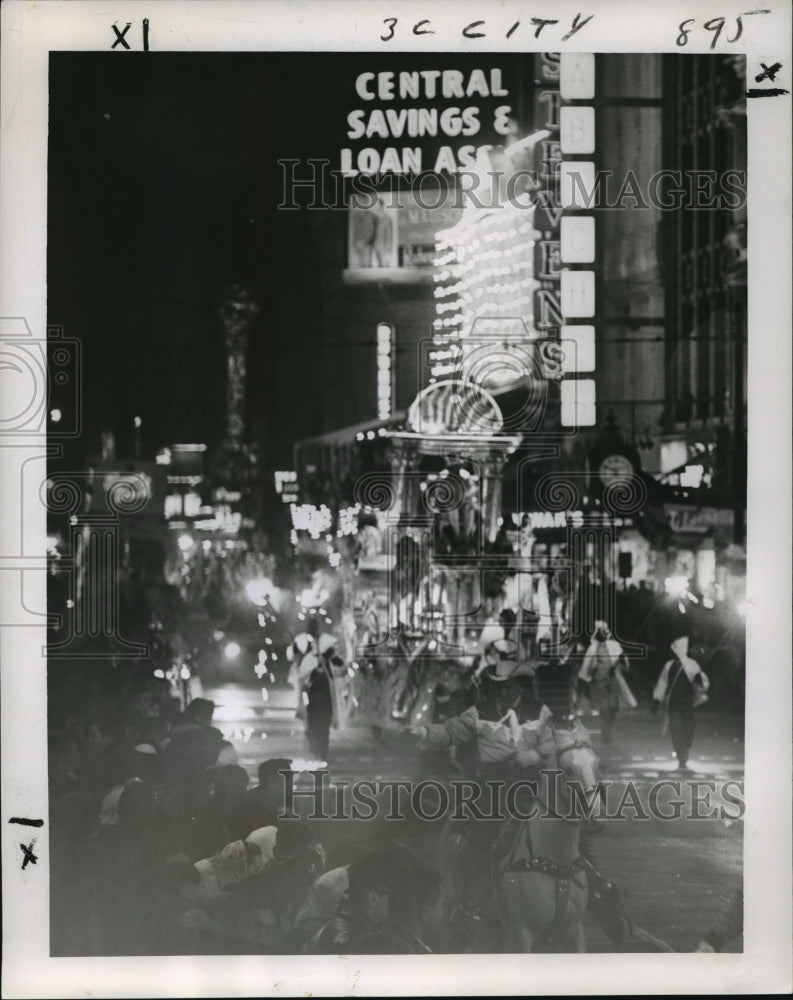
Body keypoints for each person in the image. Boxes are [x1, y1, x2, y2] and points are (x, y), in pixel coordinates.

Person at [652, 633, 710, 771]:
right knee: (676, 731)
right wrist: (656, 700)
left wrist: (698, 680)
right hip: (674, 704)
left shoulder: (692, 665)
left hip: (687, 704)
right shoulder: (669, 666)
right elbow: (662, 683)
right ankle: (681, 756)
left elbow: (700, 682)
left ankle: (684, 751)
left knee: (689, 730)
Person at [577, 621, 635, 746]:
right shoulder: (593, 648)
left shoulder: (614, 645)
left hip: (613, 681)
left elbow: (624, 662)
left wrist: (622, 660)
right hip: (599, 683)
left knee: (613, 707)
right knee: (604, 709)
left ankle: (607, 728)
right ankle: (606, 734)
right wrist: (584, 679)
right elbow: (586, 667)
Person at [305, 636, 340, 762]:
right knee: (315, 727)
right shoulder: (312, 660)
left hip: (326, 703)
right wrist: (316, 669)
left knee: (324, 729)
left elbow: (341, 668)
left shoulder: (331, 660)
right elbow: (305, 678)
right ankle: (316, 752)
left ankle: (323, 754)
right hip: (315, 702)